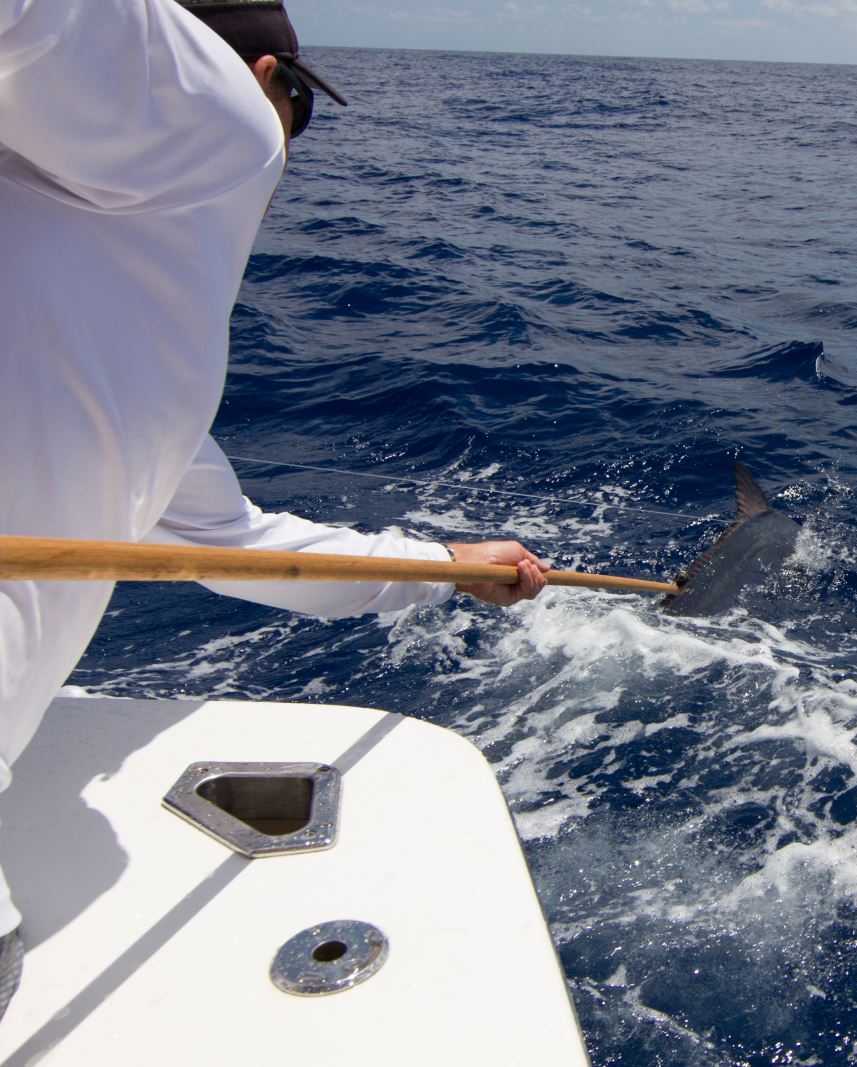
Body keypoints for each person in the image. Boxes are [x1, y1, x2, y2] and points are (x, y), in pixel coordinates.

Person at [0, 0, 551, 1016]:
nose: (292, 141)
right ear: (260, 74)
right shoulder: (216, 118)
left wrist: (446, 565)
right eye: (299, 104)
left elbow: (238, 545)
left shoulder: (128, 378)